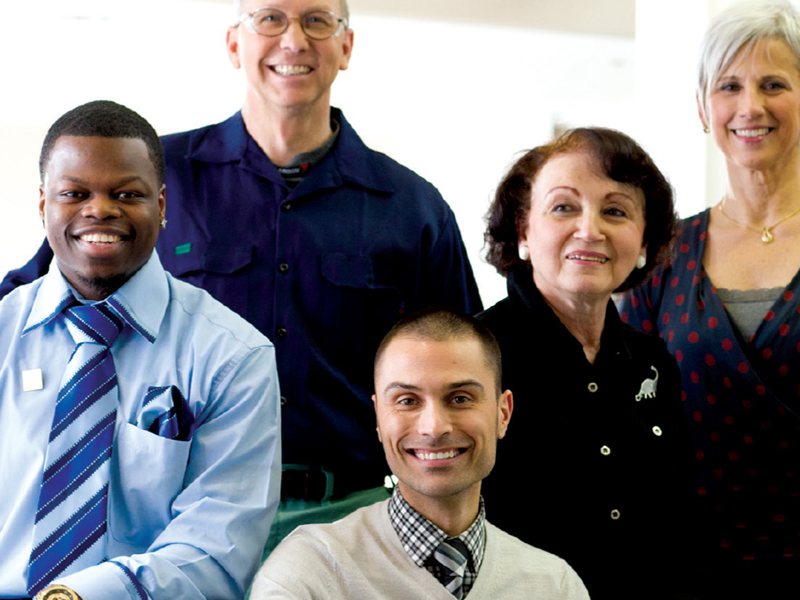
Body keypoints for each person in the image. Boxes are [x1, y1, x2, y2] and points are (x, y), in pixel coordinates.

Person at [0, 0, 482, 551]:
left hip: (351, 519)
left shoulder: (412, 207)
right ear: (235, 43)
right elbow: (37, 294)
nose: (294, 39)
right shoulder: (153, 174)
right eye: (271, 18)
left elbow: (467, 362)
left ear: (346, 47)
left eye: (318, 20)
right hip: (176, 519)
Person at [0, 100, 280, 600]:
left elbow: (217, 552)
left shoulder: (232, 356)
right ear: (44, 205)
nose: (100, 209)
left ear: (164, 206)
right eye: (75, 193)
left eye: (127, 193)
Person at [620, 2, 800, 596]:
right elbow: (631, 419)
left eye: (774, 84)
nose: (751, 106)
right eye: (730, 86)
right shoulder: (663, 255)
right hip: (690, 564)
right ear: (704, 108)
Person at [478, 127, 691, 600]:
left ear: (643, 244)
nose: (590, 229)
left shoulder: (652, 363)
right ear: (522, 231)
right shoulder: (474, 356)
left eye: (615, 211)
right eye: (563, 207)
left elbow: (678, 526)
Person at [250, 307, 590, 600]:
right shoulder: (309, 573)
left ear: (503, 414)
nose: (434, 427)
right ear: (379, 419)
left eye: (460, 398)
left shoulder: (554, 585)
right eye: (407, 401)